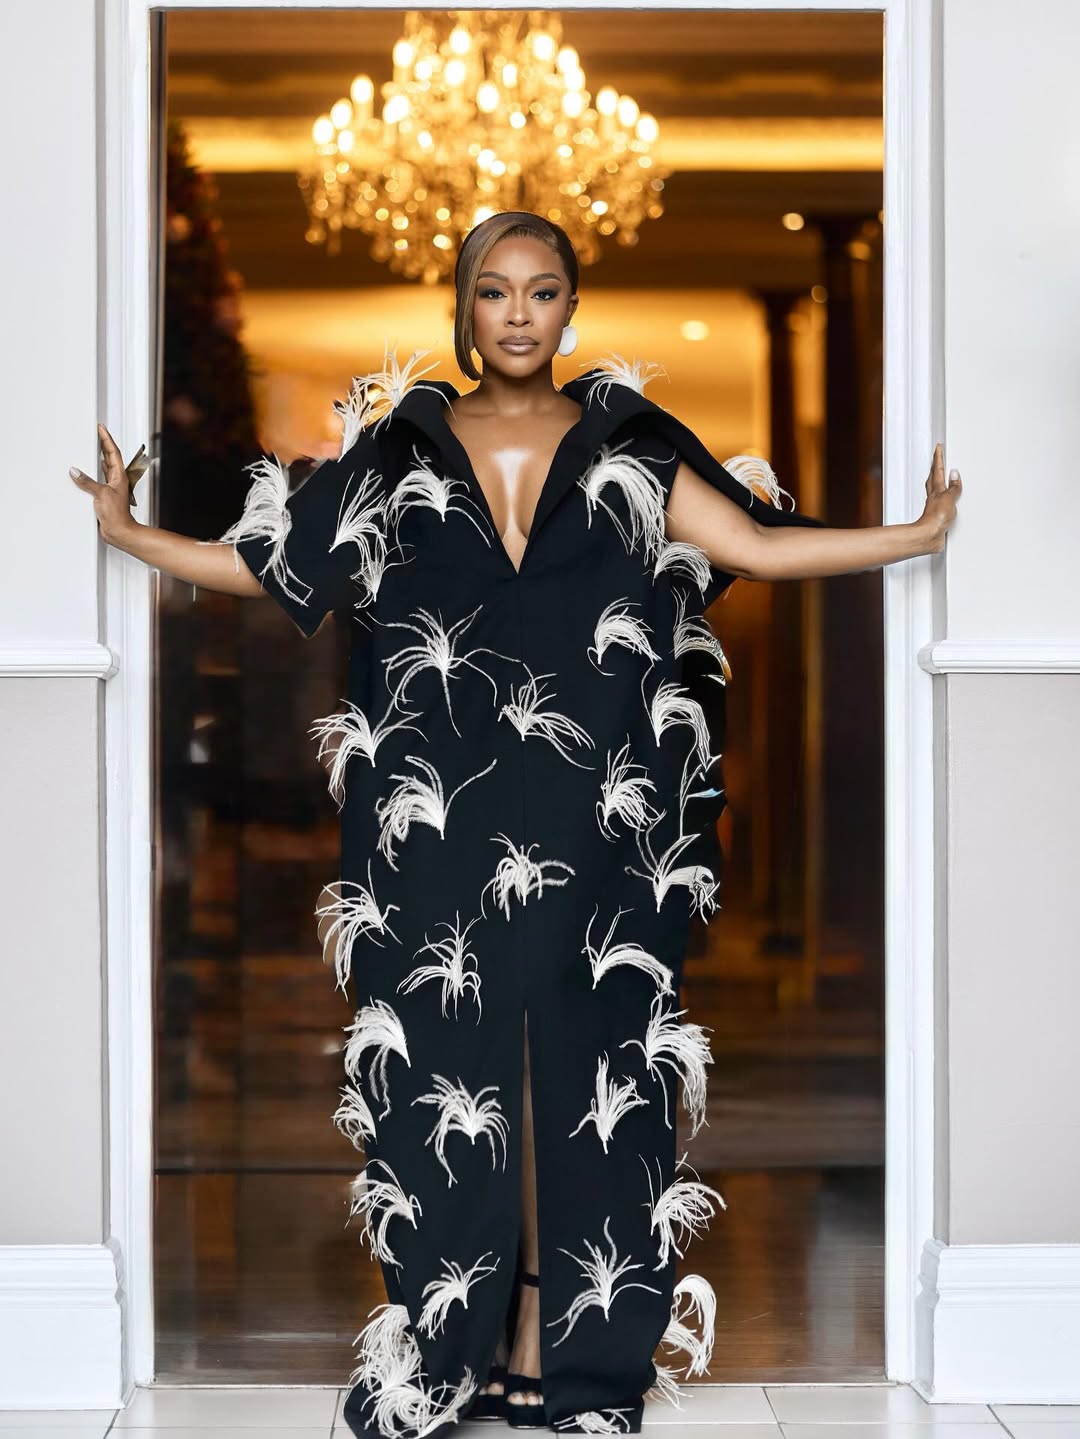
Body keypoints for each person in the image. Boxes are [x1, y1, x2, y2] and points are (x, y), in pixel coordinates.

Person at [71, 209, 961, 1439]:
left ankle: (572, 1349)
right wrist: (130, 534)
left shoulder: (632, 448)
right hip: (431, 815)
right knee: (447, 1069)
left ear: (571, 307)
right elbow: (281, 567)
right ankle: (453, 1346)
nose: (520, 314)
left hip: (597, 810)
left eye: (544, 291)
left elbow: (755, 541)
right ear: (466, 307)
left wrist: (909, 538)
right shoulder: (398, 451)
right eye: (497, 291)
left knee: (587, 1070)